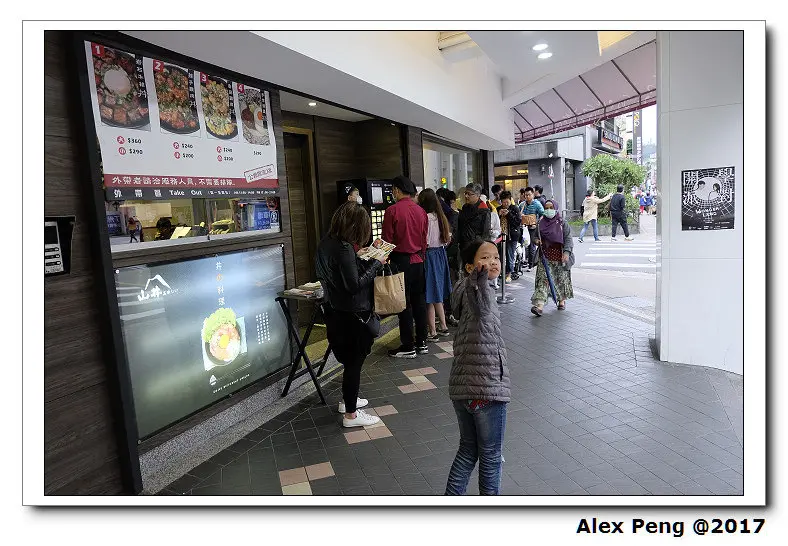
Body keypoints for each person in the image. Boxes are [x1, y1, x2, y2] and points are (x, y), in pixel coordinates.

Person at [445, 239, 510, 496]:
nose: (492, 262)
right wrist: (480, 280)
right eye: (484, 257)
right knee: (491, 455)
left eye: (496, 257)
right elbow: (482, 309)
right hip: (486, 387)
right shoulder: (478, 289)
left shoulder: (463, 288)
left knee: (468, 450)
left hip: (463, 386)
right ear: (470, 266)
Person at [315, 202, 384, 427]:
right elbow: (354, 285)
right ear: (355, 226)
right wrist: (376, 263)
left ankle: (348, 402)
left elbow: (339, 273)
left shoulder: (327, 243)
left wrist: (359, 255)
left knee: (348, 361)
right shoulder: (344, 248)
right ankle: (351, 415)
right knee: (354, 363)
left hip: (334, 311)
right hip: (354, 314)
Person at [382, 175, 429, 359]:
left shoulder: (392, 210)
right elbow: (424, 239)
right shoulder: (421, 211)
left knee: (404, 304)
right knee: (420, 302)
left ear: (396, 190)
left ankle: (408, 345)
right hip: (419, 260)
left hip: (401, 261)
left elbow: (387, 240)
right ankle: (422, 342)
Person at [418, 189, 453, 342]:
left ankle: (432, 331)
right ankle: (443, 326)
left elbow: (425, 241)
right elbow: (447, 239)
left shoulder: (426, 218)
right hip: (441, 254)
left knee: (429, 295)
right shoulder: (441, 216)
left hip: (429, 255)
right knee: (437, 293)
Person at [531, 200, 575, 316]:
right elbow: (534, 237)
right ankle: (539, 306)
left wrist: (566, 253)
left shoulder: (562, 223)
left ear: (555, 208)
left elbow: (568, 239)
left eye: (551, 207)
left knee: (560, 281)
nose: (548, 210)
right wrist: (536, 241)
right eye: (546, 208)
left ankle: (561, 300)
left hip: (559, 257)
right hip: (544, 257)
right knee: (542, 282)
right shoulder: (540, 222)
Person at [437, 189, 460, 327]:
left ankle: (449, 312)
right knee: (450, 284)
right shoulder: (453, 215)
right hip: (450, 254)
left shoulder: (447, 216)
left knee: (448, 284)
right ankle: (449, 313)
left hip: (447, 254)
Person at [457, 183, 492, 258]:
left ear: (478, 195)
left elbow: (486, 232)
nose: (466, 196)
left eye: (469, 194)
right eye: (465, 193)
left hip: (476, 245)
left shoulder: (484, 210)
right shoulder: (465, 207)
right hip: (464, 244)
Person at [497, 191, 522, 282]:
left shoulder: (515, 209)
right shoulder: (498, 209)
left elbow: (517, 222)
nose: (505, 204)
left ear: (510, 200)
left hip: (511, 236)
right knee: (499, 254)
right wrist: (498, 215)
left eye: (507, 202)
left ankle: (509, 274)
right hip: (500, 236)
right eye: (503, 202)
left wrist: (508, 214)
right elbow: (494, 222)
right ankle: (500, 271)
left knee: (510, 255)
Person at [521, 187, 545, 271]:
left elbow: (543, 214)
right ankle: (524, 262)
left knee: (531, 246)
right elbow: (518, 214)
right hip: (523, 228)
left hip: (532, 228)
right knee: (524, 245)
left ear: (533, 195)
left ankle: (531, 264)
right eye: (526, 195)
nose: (527, 196)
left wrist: (537, 223)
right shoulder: (522, 204)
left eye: (529, 195)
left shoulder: (537, 204)